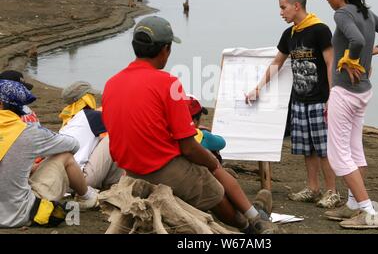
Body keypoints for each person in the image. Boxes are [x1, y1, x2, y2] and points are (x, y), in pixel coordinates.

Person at [102, 16, 276, 234]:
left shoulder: (111, 83)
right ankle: (249, 224)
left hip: (130, 169)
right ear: (166, 49)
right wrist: (211, 161)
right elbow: (188, 146)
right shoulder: (167, 83)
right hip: (160, 169)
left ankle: (255, 213)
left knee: (206, 171)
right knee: (214, 183)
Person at [315, 0, 378, 229]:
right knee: (354, 149)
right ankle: (353, 205)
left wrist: (351, 59)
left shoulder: (341, 13)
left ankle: (368, 211)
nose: (327, 2)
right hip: (363, 91)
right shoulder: (366, 13)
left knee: (338, 155)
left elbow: (356, 39)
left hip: (344, 92)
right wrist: (372, 53)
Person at [246, 0, 340, 209]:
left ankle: (332, 191)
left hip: (320, 99)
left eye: (283, 7)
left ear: (297, 6)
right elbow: (277, 63)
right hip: (299, 100)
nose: (281, 12)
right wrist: (258, 88)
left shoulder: (320, 30)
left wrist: (332, 95)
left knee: (324, 148)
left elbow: (330, 63)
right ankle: (313, 188)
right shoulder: (289, 34)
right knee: (307, 148)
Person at [0, 80, 98, 228]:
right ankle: (87, 197)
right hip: (18, 215)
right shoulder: (28, 132)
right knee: (65, 156)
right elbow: (73, 144)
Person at [59, 81, 124, 190]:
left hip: (66, 180)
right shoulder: (90, 117)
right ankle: (114, 183)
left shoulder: (71, 121)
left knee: (103, 140)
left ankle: (110, 182)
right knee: (115, 137)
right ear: (85, 98)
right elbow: (123, 124)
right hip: (81, 180)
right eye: (92, 96)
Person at [186, 94, 225, 163]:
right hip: (199, 170)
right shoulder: (203, 135)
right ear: (195, 121)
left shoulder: (167, 134)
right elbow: (222, 143)